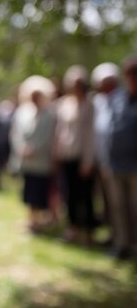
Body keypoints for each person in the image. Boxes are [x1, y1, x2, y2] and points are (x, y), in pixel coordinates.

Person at [54, 65, 96, 244]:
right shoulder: (64, 104)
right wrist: (56, 152)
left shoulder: (90, 105)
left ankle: (89, 231)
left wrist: (88, 160)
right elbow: (59, 131)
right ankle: (72, 227)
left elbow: (91, 135)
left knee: (85, 195)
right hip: (67, 157)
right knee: (69, 194)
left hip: (83, 158)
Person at [10, 76, 56, 232]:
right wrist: (21, 148)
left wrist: (34, 149)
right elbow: (16, 134)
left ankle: (39, 221)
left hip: (41, 162)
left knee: (39, 193)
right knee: (28, 192)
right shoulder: (23, 113)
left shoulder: (49, 115)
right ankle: (31, 220)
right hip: (27, 162)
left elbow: (48, 137)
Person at [105, 56, 137, 258]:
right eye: (130, 75)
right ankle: (122, 244)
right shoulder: (118, 99)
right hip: (116, 164)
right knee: (118, 208)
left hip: (135, 166)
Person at [91, 62, 121, 248]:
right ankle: (114, 236)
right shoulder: (98, 102)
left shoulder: (123, 99)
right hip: (104, 161)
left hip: (123, 162)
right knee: (109, 204)